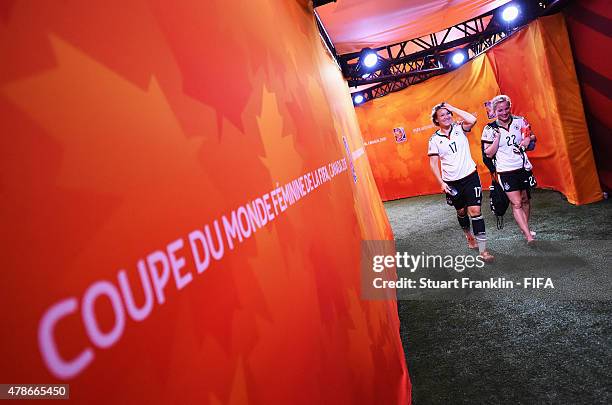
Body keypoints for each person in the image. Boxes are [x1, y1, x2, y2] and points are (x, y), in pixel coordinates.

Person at [428, 102, 494, 262]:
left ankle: (483, 251)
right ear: (436, 120)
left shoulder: (459, 128)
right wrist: (441, 183)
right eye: (442, 115)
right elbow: (433, 163)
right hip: (452, 183)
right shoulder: (434, 140)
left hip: (470, 177)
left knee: (475, 211)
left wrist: (452, 108)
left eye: (447, 114)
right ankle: (468, 236)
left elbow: (472, 119)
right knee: (461, 212)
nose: (446, 117)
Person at [482, 95, 537, 243]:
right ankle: (528, 236)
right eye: (500, 110)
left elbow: (531, 137)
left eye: (507, 108)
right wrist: (497, 139)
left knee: (525, 200)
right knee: (517, 203)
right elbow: (488, 153)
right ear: (494, 111)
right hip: (505, 171)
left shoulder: (520, 121)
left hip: (522, 168)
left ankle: (524, 227)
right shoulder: (489, 129)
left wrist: (527, 140)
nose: (504, 112)